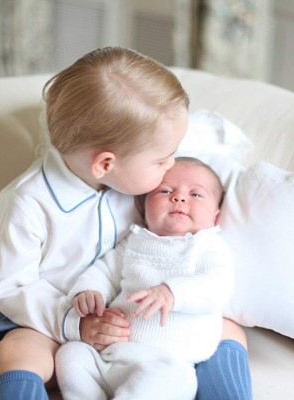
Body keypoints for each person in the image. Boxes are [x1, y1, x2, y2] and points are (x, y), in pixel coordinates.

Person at [0, 46, 251, 400]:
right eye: (161, 160)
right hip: (53, 321)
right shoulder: (30, 202)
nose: (170, 166)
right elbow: (8, 286)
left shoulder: (137, 175)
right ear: (105, 164)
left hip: (140, 320)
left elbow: (192, 148)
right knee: (15, 350)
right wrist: (76, 323)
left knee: (228, 329)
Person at [56, 157, 232, 400]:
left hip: (168, 362)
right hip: (111, 355)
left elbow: (218, 286)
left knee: (170, 379)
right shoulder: (135, 242)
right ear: (144, 206)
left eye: (196, 194)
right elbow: (104, 271)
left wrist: (172, 292)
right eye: (166, 190)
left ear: (215, 215)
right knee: (71, 353)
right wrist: (89, 291)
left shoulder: (208, 246)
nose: (179, 198)